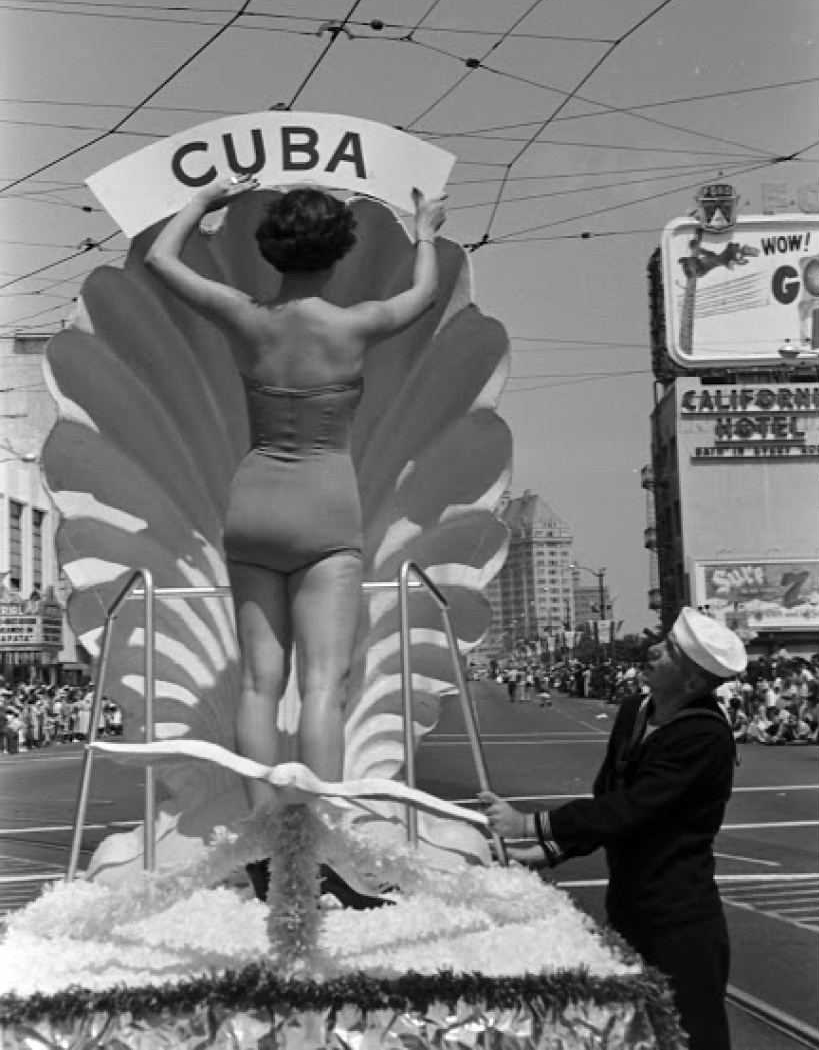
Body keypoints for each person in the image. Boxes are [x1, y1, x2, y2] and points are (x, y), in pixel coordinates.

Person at [145, 175, 447, 795]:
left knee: (259, 682)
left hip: (253, 505)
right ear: (338, 253)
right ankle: (314, 834)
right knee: (322, 684)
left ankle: (261, 836)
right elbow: (425, 292)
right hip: (327, 512)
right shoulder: (356, 325)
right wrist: (425, 233)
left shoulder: (240, 314)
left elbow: (159, 258)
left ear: (268, 249)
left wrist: (203, 202)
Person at [480, 606, 748, 1050]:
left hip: (678, 919)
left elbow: (631, 809)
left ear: (693, 682)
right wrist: (548, 851)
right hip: (628, 907)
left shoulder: (704, 737)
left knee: (690, 1037)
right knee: (631, 1032)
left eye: (669, 651)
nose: (652, 650)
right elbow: (607, 797)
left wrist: (528, 823)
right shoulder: (634, 712)